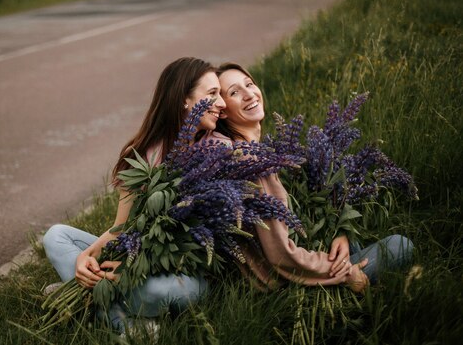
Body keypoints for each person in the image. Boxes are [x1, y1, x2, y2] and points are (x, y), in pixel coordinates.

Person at [42, 57, 227, 333]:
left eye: (221, 94)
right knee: (55, 236)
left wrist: (130, 269)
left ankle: (85, 299)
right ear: (184, 100)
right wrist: (86, 258)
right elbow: (122, 228)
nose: (221, 103)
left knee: (174, 291)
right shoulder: (141, 154)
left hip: (178, 271)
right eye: (212, 94)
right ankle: (122, 319)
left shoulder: (217, 150)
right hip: (134, 255)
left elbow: (198, 245)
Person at [213, 62, 414, 292]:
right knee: (400, 245)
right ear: (222, 109)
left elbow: (301, 210)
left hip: (299, 260)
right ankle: (355, 290)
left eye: (249, 84)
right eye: (235, 92)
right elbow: (281, 255)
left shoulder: (255, 152)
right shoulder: (252, 165)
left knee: (351, 244)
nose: (249, 94)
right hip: (288, 282)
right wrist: (347, 272)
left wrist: (339, 231)